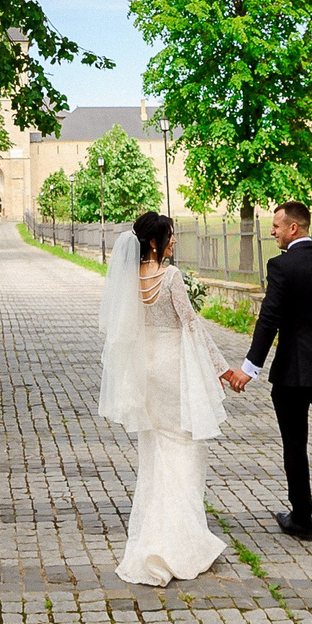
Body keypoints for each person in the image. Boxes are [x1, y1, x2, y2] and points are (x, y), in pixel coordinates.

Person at [220, 199, 312, 571]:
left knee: (295, 445)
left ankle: (303, 519)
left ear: (293, 228)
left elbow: (270, 320)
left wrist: (249, 368)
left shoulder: (281, 266)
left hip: (294, 372)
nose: (273, 232)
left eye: (277, 226)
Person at [99, 210, 228, 585]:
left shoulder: (128, 278)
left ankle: (153, 534)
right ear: (154, 242)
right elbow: (191, 324)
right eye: (170, 236)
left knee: (155, 452)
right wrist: (219, 368)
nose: (174, 241)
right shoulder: (170, 277)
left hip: (146, 372)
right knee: (185, 450)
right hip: (173, 369)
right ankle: (181, 540)